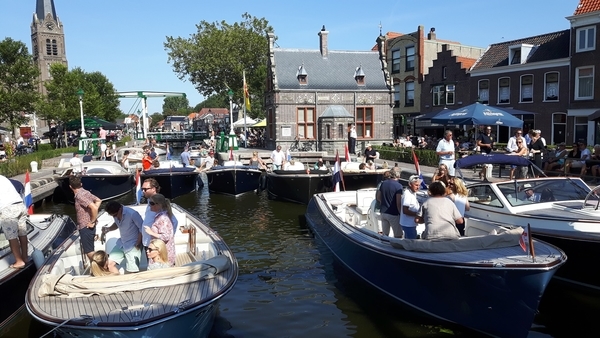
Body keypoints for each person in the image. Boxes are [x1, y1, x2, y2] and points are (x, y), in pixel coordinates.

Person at [102, 201, 143, 273]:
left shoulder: (132, 214)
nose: (114, 217)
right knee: (109, 265)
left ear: (120, 209)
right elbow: (117, 224)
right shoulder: (115, 214)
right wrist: (108, 229)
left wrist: (138, 243)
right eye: (112, 216)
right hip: (122, 243)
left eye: (115, 215)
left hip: (133, 245)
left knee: (133, 271)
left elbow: (142, 228)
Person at [69, 175, 102, 261]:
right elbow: (98, 200)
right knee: (90, 249)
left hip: (85, 226)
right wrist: (92, 215)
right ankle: (97, 268)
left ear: (70, 186)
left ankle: (103, 266)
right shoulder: (85, 192)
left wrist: (92, 221)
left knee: (89, 252)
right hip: (89, 226)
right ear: (81, 184)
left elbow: (94, 208)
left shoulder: (79, 196)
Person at [0, 175, 29, 269]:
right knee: (22, 233)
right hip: (20, 205)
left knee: (11, 236)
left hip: (8, 209)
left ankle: (19, 261)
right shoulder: (3, 178)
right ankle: (25, 257)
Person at [143, 193, 176, 266]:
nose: (149, 205)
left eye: (151, 203)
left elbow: (166, 236)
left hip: (161, 254)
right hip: (159, 252)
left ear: (159, 205)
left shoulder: (163, 218)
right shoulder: (160, 216)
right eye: (149, 203)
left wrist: (151, 232)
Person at [375, 169, 403, 237]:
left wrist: (384, 203)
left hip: (383, 212)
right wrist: (401, 214)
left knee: (385, 235)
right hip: (393, 213)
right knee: (398, 235)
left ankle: (383, 246)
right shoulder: (398, 186)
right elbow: (398, 203)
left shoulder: (383, 183)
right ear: (398, 175)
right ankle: (397, 247)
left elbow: (378, 197)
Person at [399, 175, 422, 239]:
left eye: (419, 185)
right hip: (408, 224)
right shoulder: (407, 194)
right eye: (416, 185)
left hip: (409, 223)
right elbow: (405, 210)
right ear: (410, 184)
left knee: (408, 241)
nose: (418, 187)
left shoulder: (412, 192)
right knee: (411, 243)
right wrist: (418, 214)